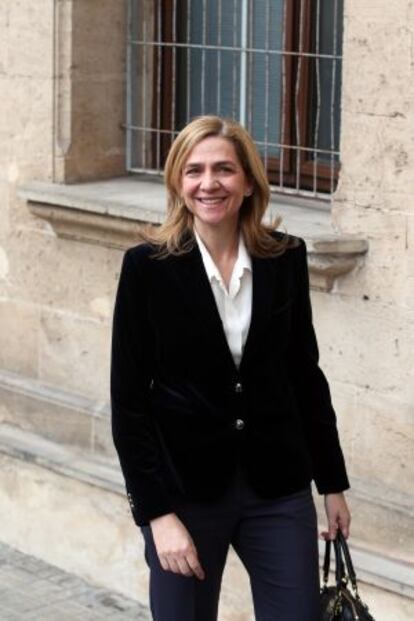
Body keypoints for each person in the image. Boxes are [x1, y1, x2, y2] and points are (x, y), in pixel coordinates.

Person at [111, 115, 351, 621]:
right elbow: (129, 404)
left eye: (224, 169)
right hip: (185, 494)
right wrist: (156, 515)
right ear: (179, 182)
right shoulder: (147, 269)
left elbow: (305, 376)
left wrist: (332, 484)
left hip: (277, 488)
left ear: (246, 182)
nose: (209, 183)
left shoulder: (284, 258)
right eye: (194, 170)